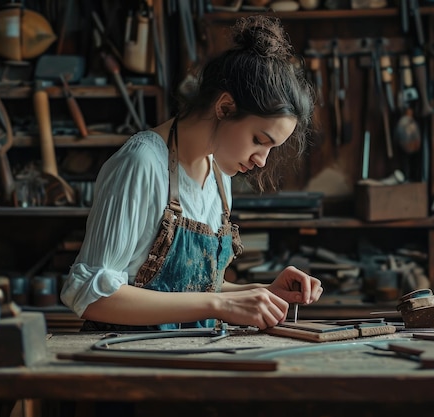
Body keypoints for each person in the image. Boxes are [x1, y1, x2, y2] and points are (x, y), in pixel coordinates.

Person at [60, 15, 323, 331]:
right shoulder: (143, 163)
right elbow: (90, 296)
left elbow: (185, 288)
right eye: (259, 140)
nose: (263, 161)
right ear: (224, 108)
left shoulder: (219, 177)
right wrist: (221, 304)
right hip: (130, 361)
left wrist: (261, 293)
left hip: (189, 358)